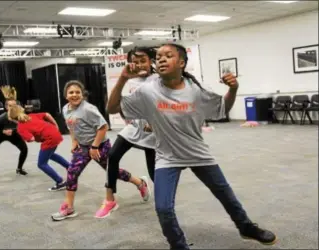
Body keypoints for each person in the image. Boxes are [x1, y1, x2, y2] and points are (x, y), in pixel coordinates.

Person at [107, 43, 277, 249]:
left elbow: (222, 109)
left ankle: (246, 227)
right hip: (167, 156)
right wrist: (123, 78)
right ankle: (178, 245)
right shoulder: (147, 91)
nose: (161, 59)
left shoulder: (196, 90)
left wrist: (233, 89)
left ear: (181, 62)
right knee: (163, 209)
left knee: (225, 194)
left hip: (198, 153)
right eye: (158, 56)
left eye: (168, 55)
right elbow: (112, 107)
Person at [51, 80, 150, 221]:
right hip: (83, 148)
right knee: (72, 172)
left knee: (113, 172)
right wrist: (74, 141)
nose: (74, 95)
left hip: (99, 146)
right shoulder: (66, 109)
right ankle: (68, 207)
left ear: (82, 94)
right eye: (71, 92)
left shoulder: (88, 109)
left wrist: (95, 146)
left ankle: (140, 183)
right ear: (66, 95)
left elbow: (103, 127)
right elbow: (71, 126)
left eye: (77, 92)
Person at [97, 47, 157, 219]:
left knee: (154, 172)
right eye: (135, 62)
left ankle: (152, 191)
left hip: (153, 131)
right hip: (134, 127)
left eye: (142, 61)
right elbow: (121, 104)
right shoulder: (131, 80)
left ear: (151, 61)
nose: (139, 65)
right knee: (112, 156)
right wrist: (125, 116)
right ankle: (109, 200)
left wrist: (155, 122)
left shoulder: (159, 79)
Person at [8, 104, 69, 191]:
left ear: (11, 118)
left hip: (49, 139)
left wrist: (25, 138)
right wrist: (56, 125)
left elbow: (31, 139)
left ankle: (60, 182)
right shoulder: (32, 115)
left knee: (41, 164)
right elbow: (47, 114)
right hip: (55, 133)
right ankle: (69, 167)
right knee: (50, 154)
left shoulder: (20, 127)